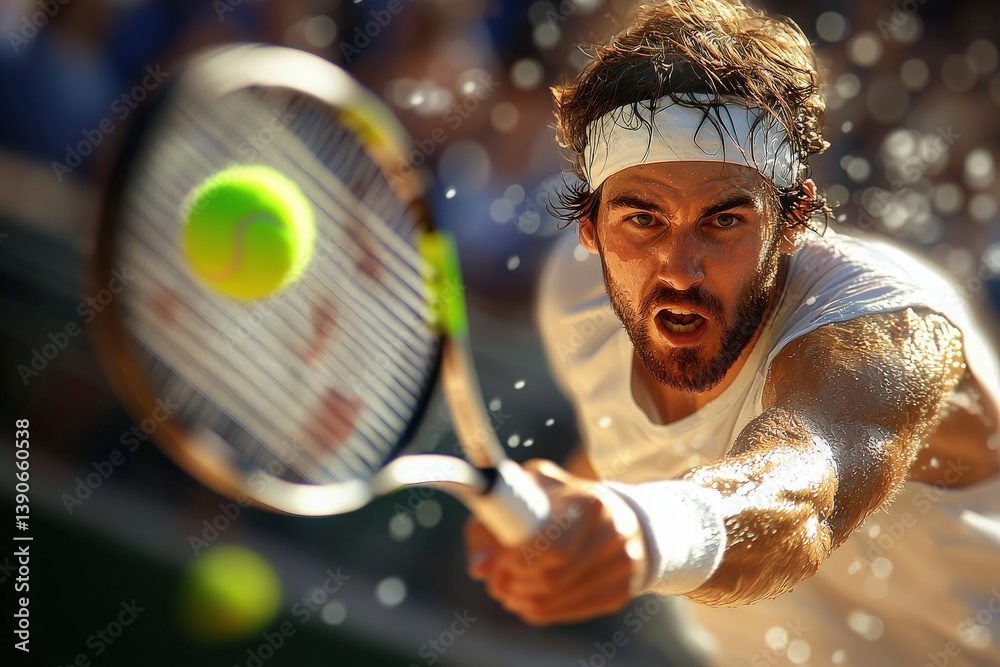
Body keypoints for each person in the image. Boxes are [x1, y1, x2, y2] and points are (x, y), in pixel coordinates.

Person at [463, 0, 1000, 664]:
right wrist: (571, 523)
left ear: (795, 218)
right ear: (590, 228)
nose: (680, 270)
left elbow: (802, 489)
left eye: (724, 220)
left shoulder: (894, 323)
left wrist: (641, 529)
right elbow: (634, 446)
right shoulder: (577, 300)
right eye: (642, 219)